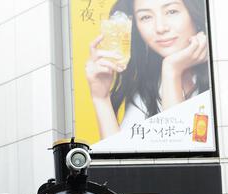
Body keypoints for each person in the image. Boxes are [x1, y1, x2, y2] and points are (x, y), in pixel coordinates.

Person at [86, 0, 209, 140]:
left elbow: (183, 150)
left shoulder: (220, 73)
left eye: (172, 11)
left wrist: (171, 70)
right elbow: (120, 157)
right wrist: (101, 98)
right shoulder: (146, 88)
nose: (160, 28)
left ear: (195, 12)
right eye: (146, 17)